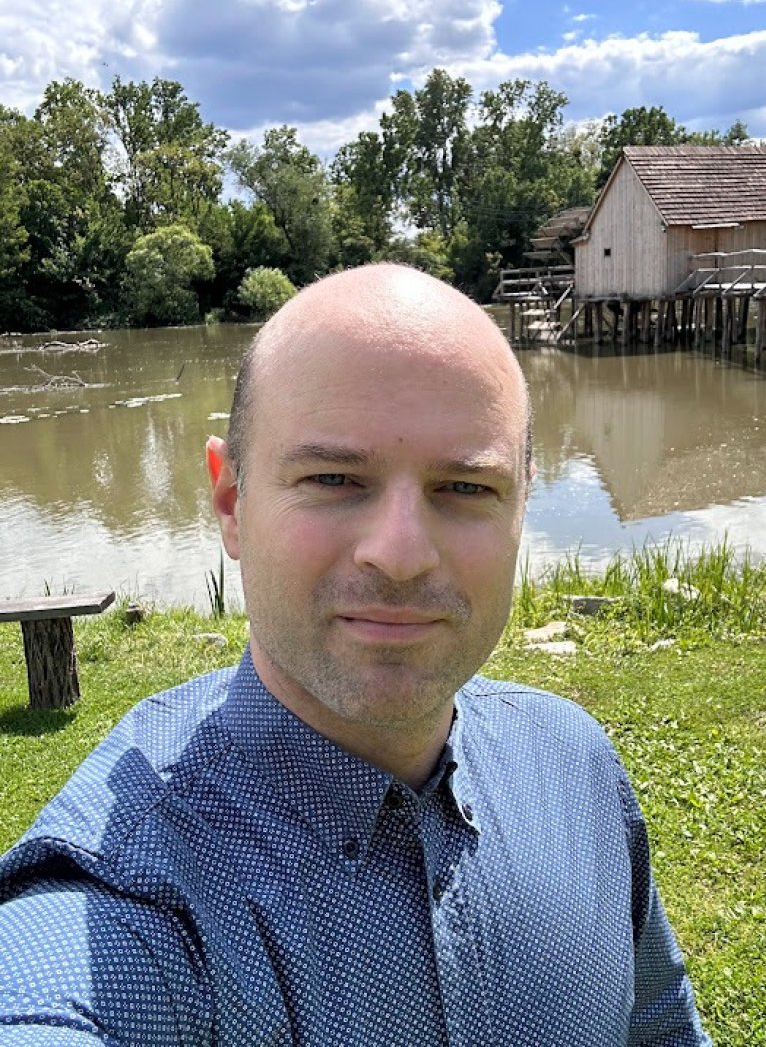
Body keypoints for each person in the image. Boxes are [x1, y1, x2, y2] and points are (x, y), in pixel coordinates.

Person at [0, 264, 711, 1046]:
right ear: (231, 502)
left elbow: (662, 1027)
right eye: (334, 478)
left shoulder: (574, 765)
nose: (400, 556)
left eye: (466, 488)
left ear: (522, 503)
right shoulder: (133, 905)